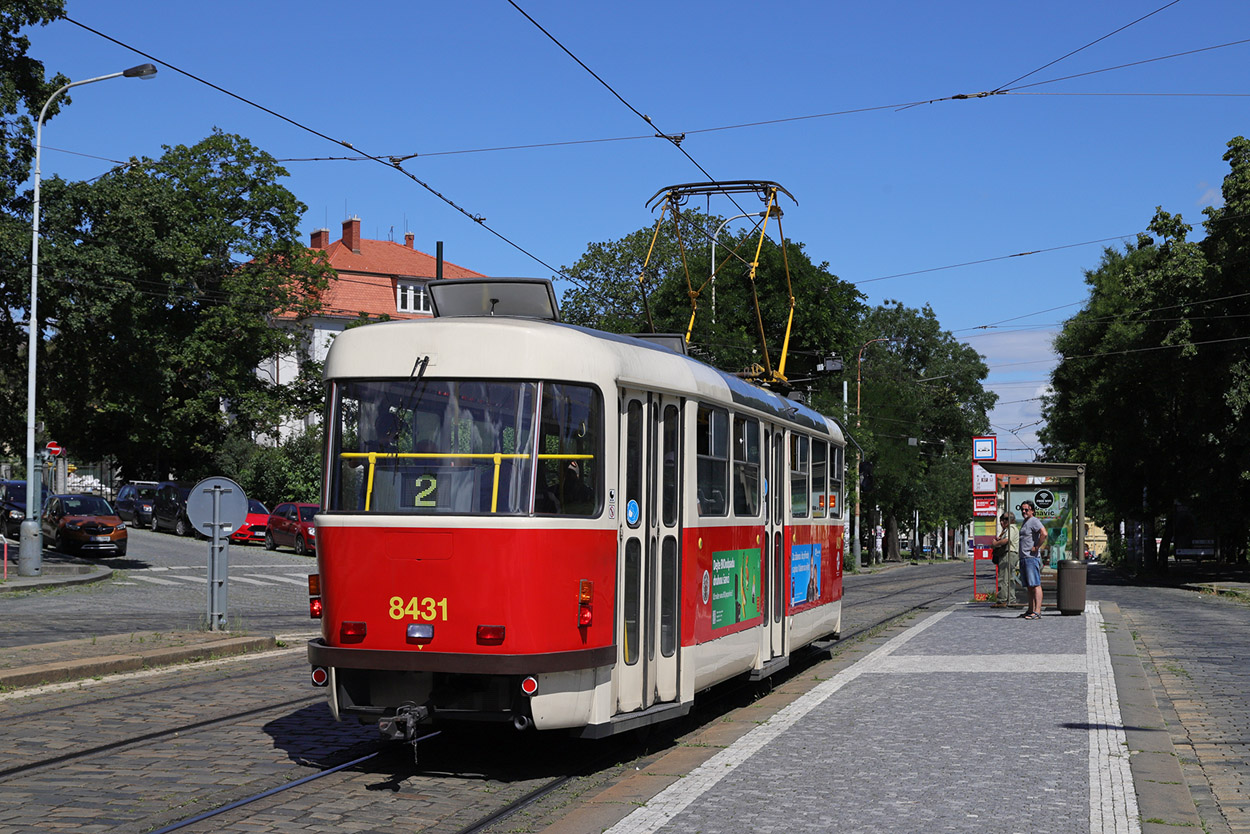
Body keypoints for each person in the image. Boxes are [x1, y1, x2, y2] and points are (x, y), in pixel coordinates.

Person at [1018, 501, 1048, 619]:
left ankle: (1037, 611)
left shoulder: (1034, 520)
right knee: (1029, 586)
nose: (1024, 511)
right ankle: (1030, 610)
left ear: (1032, 510)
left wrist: (1036, 547)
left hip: (1031, 558)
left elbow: (1044, 533)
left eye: (1026, 509)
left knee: (1035, 584)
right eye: (1022, 509)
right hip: (1024, 557)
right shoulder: (1025, 522)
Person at [992, 511, 1019, 608]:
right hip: (1012, 554)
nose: (1002, 523)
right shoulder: (1010, 529)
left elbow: (1007, 540)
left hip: (1008, 554)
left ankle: (1002, 600)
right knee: (1009, 578)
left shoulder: (1011, 528)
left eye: (1003, 520)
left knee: (1003, 577)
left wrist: (995, 544)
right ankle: (1011, 599)